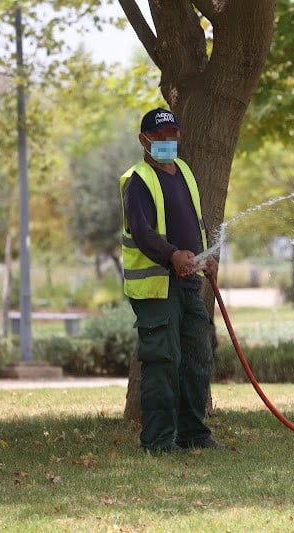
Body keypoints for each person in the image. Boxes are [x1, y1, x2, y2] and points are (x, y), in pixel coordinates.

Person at [120, 107, 224, 453]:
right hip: (155, 289)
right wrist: (172, 255)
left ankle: (193, 434)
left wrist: (207, 257)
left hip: (189, 284)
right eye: (162, 138)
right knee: (162, 361)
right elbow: (143, 233)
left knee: (198, 357)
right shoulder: (138, 182)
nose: (170, 143)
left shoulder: (184, 173)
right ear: (144, 141)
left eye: (174, 137)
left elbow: (197, 221)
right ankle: (158, 442)